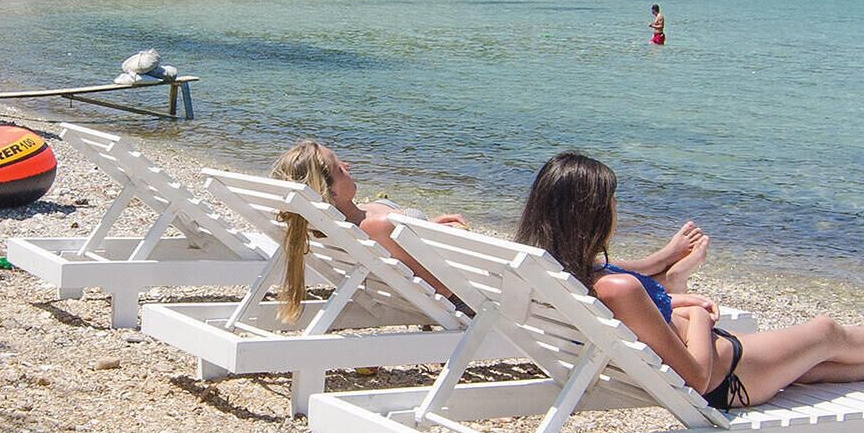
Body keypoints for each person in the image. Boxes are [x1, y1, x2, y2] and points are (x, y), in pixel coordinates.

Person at [516, 152, 864, 411]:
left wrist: (676, 298)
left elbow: (641, 325)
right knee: (825, 333)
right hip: (729, 379)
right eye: (612, 203)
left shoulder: (556, 269)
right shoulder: (618, 287)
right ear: (592, 214)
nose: (617, 210)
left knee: (815, 365)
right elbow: (695, 378)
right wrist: (698, 316)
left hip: (718, 368)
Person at [269, 140, 709, 323]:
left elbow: (404, 261)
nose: (348, 165)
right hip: (483, 289)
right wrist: (445, 245)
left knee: (557, 258)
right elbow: (443, 283)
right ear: (326, 190)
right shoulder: (377, 224)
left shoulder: (341, 226)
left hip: (475, 272)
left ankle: (656, 271)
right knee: (559, 263)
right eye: (338, 167)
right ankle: (660, 276)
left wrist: (427, 233)